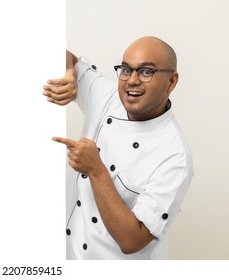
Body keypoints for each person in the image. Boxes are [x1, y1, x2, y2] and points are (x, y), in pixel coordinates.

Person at [43, 36, 193, 259]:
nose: (132, 80)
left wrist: (95, 169)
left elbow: (132, 240)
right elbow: (62, 54)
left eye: (146, 72)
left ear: (171, 82)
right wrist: (70, 73)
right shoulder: (108, 97)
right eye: (125, 69)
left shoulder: (175, 157)